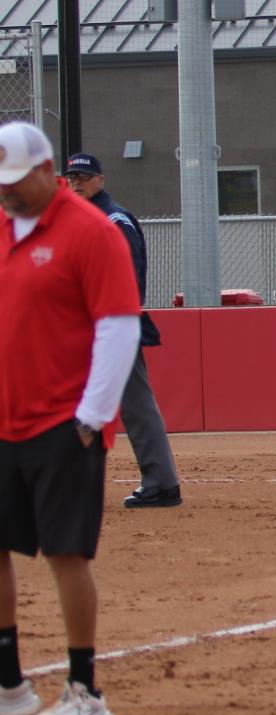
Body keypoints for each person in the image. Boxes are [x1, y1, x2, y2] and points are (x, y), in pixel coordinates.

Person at [0, 121, 140, 715]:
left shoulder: (91, 231)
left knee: (65, 552)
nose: (6, 192)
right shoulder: (3, 229)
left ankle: (85, 691)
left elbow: (118, 324)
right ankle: (9, 684)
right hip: (4, 417)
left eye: (15, 180)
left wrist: (91, 414)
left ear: (47, 169)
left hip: (64, 419)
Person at [61, 153, 181, 509]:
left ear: (101, 179)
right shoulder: (79, 220)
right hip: (83, 328)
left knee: (135, 405)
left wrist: (116, 325)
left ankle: (162, 484)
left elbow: (128, 279)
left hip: (112, 327)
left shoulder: (113, 220)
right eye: (71, 177)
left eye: (84, 176)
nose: (76, 182)